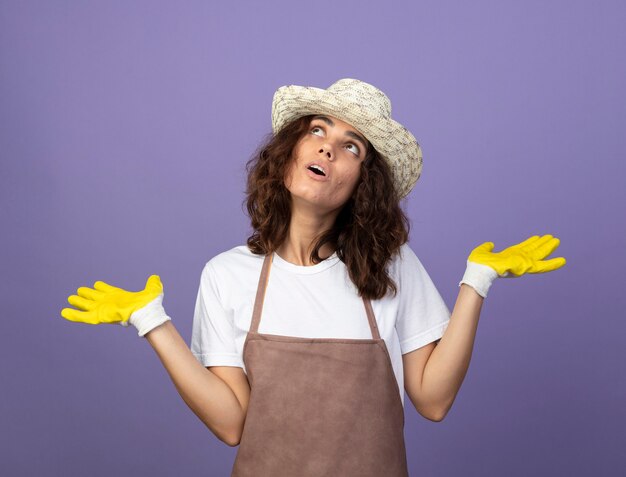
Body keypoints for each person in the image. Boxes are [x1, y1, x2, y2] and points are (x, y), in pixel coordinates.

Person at [61, 78, 566, 476]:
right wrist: (152, 322)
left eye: (352, 147)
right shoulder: (228, 275)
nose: (328, 148)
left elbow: (433, 400)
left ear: (361, 184)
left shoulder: (390, 266)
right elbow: (232, 423)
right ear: (289, 153)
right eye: (318, 130)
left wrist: (476, 282)